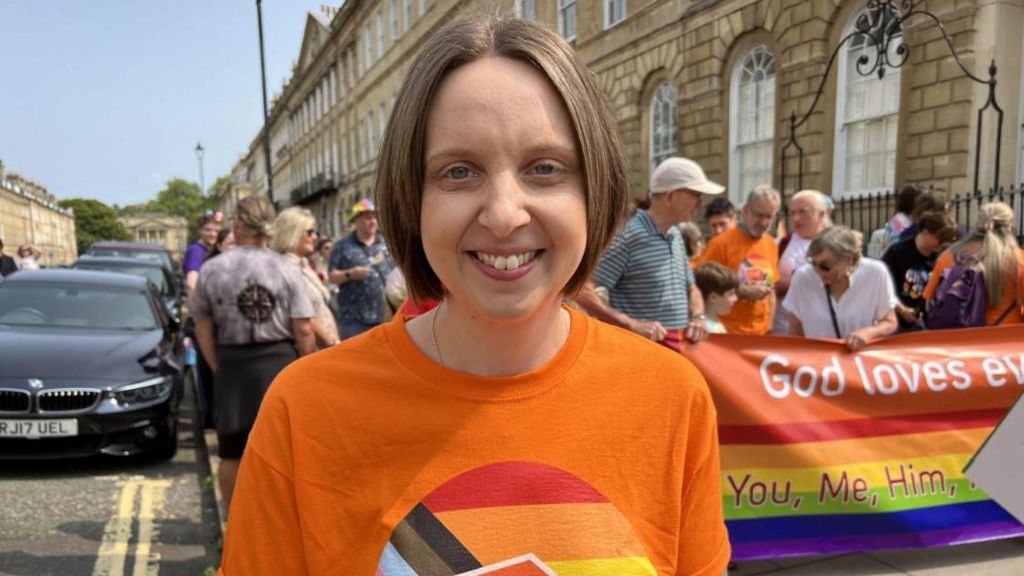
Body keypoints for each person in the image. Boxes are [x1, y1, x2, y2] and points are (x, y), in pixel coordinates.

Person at [220, 15, 730, 576]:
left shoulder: (671, 397)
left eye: (545, 168)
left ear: (595, 189)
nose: (505, 214)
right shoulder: (306, 413)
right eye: (459, 172)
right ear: (412, 200)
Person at [190, 195, 315, 512]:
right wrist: (307, 369)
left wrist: (219, 366)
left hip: (232, 363)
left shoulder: (212, 269)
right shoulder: (287, 268)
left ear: (237, 224)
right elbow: (303, 328)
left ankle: (235, 524)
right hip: (279, 363)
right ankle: (283, 517)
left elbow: (203, 330)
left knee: (231, 451)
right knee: (286, 450)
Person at [577, 156, 721, 351]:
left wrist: (698, 317)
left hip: (676, 351)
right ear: (670, 196)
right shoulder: (629, 236)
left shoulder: (676, 234)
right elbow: (582, 290)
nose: (701, 204)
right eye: (696, 194)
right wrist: (630, 324)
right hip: (642, 353)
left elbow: (691, 288)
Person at [784, 226, 899, 350]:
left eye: (825, 266)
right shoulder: (802, 277)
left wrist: (867, 333)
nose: (817, 271)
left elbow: (890, 322)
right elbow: (795, 333)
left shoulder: (876, 273)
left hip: (858, 362)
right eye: (813, 263)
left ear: (849, 260)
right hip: (817, 362)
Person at [923, 202, 1024, 326]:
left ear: (977, 225)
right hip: (1005, 338)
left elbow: (929, 303)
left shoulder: (948, 256)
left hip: (957, 338)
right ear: (1009, 227)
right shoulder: (1019, 260)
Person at [699, 184, 781, 335]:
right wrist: (742, 292)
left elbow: (772, 291)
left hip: (761, 335)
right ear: (745, 211)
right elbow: (702, 289)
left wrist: (769, 326)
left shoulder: (771, 244)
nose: (763, 222)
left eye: (768, 216)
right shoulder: (720, 244)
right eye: (759, 215)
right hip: (727, 335)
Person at [271, 207, 340, 349]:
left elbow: (322, 307)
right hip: (315, 351)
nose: (315, 237)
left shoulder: (303, 264)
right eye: (309, 232)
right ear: (292, 233)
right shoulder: (286, 268)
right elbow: (306, 319)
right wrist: (331, 344)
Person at [327, 198, 396, 339]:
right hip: (355, 320)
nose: (373, 222)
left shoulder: (386, 243)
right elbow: (332, 275)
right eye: (368, 218)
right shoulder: (342, 246)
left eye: (375, 217)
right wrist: (350, 274)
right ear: (356, 220)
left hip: (387, 316)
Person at [882, 211, 958, 331]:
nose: (944, 244)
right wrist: (902, 310)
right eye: (941, 238)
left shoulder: (941, 257)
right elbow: (882, 289)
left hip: (928, 324)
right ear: (925, 232)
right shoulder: (896, 253)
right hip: (898, 324)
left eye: (947, 240)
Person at [772, 189, 831, 334]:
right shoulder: (780, 243)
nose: (796, 218)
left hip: (822, 332)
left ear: (821, 214)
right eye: (792, 213)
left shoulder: (838, 245)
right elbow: (767, 279)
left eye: (802, 212)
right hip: (782, 330)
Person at [183, 210, 224, 294]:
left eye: (217, 231)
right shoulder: (196, 250)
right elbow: (191, 284)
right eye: (208, 230)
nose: (213, 234)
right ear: (200, 230)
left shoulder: (213, 250)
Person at [694, 262, 739, 334]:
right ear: (713, 297)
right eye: (731, 294)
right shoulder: (706, 329)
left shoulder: (714, 323)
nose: (735, 298)